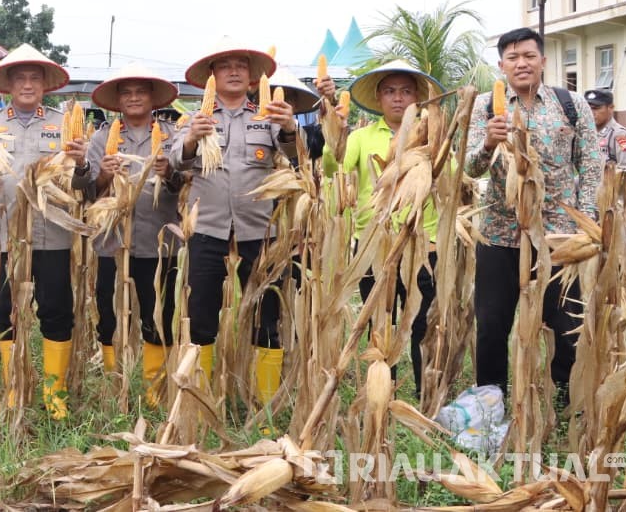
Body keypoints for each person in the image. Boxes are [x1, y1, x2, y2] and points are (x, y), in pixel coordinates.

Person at [465, 27, 600, 398]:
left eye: (528, 55)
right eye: (512, 57)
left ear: (543, 60)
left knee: (566, 326)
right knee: (492, 325)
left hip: (558, 239)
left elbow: (590, 166)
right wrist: (489, 142)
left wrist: (585, 225)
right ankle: (491, 402)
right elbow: (469, 169)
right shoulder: (481, 107)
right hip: (499, 235)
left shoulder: (571, 105)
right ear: (501, 65)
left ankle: (564, 399)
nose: (521, 63)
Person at [168, 38, 299, 406]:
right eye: (226, 66)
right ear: (212, 75)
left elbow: (296, 157)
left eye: (242, 65)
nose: (235, 71)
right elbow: (177, 164)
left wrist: (290, 127)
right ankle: (201, 399)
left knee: (266, 313)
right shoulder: (193, 119)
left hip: (260, 229)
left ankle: (266, 402)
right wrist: (192, 138)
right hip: (206, 228)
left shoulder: (267, 116)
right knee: (201, 314)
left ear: (252, 75)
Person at [0, 44, 88, 419]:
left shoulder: (63, 124)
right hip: (6, 236)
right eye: (21, 77)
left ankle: (55, 396)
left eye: (35, 78)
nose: (28, 84)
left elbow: (84, 183)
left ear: (46, 85)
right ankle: (15, 390)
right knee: (6, 313)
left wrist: (81, 164)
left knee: (56, 311)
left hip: (54, 234)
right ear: (9, 84)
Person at [320, 60, 442, 399]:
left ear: (417, 96)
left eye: (405, 91)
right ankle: (382, 392)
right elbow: (332, 168)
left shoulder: (432, 135)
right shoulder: (360, 138)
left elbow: (451, 179)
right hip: (374, 246)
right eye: (390, 92)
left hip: (423, 245)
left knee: (422, 323)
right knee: (381, 322)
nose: (398, 99)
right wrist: (335, 133)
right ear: (378, 97)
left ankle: (424, 395)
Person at [85, 63, 181, 399]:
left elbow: (185, 184)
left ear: (153, 97)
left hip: (160, 242)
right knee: (110, 313)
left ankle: (155, 387)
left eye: (141, 91)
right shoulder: (100, 139)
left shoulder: (174, 136)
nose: (134, 97)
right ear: (118, 100)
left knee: (159, 313)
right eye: (127, 92)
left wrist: (169, 172)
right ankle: (116, 382)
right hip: (112, 244)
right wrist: (103, 177)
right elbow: (87, 192)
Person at [584, 87, 626, 171]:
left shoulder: (620, 135)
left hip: (609, 183)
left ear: (610, 108)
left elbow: (625, 172)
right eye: (588, 108)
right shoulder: (586, 133)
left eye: (596, 108)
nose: (591, 112)